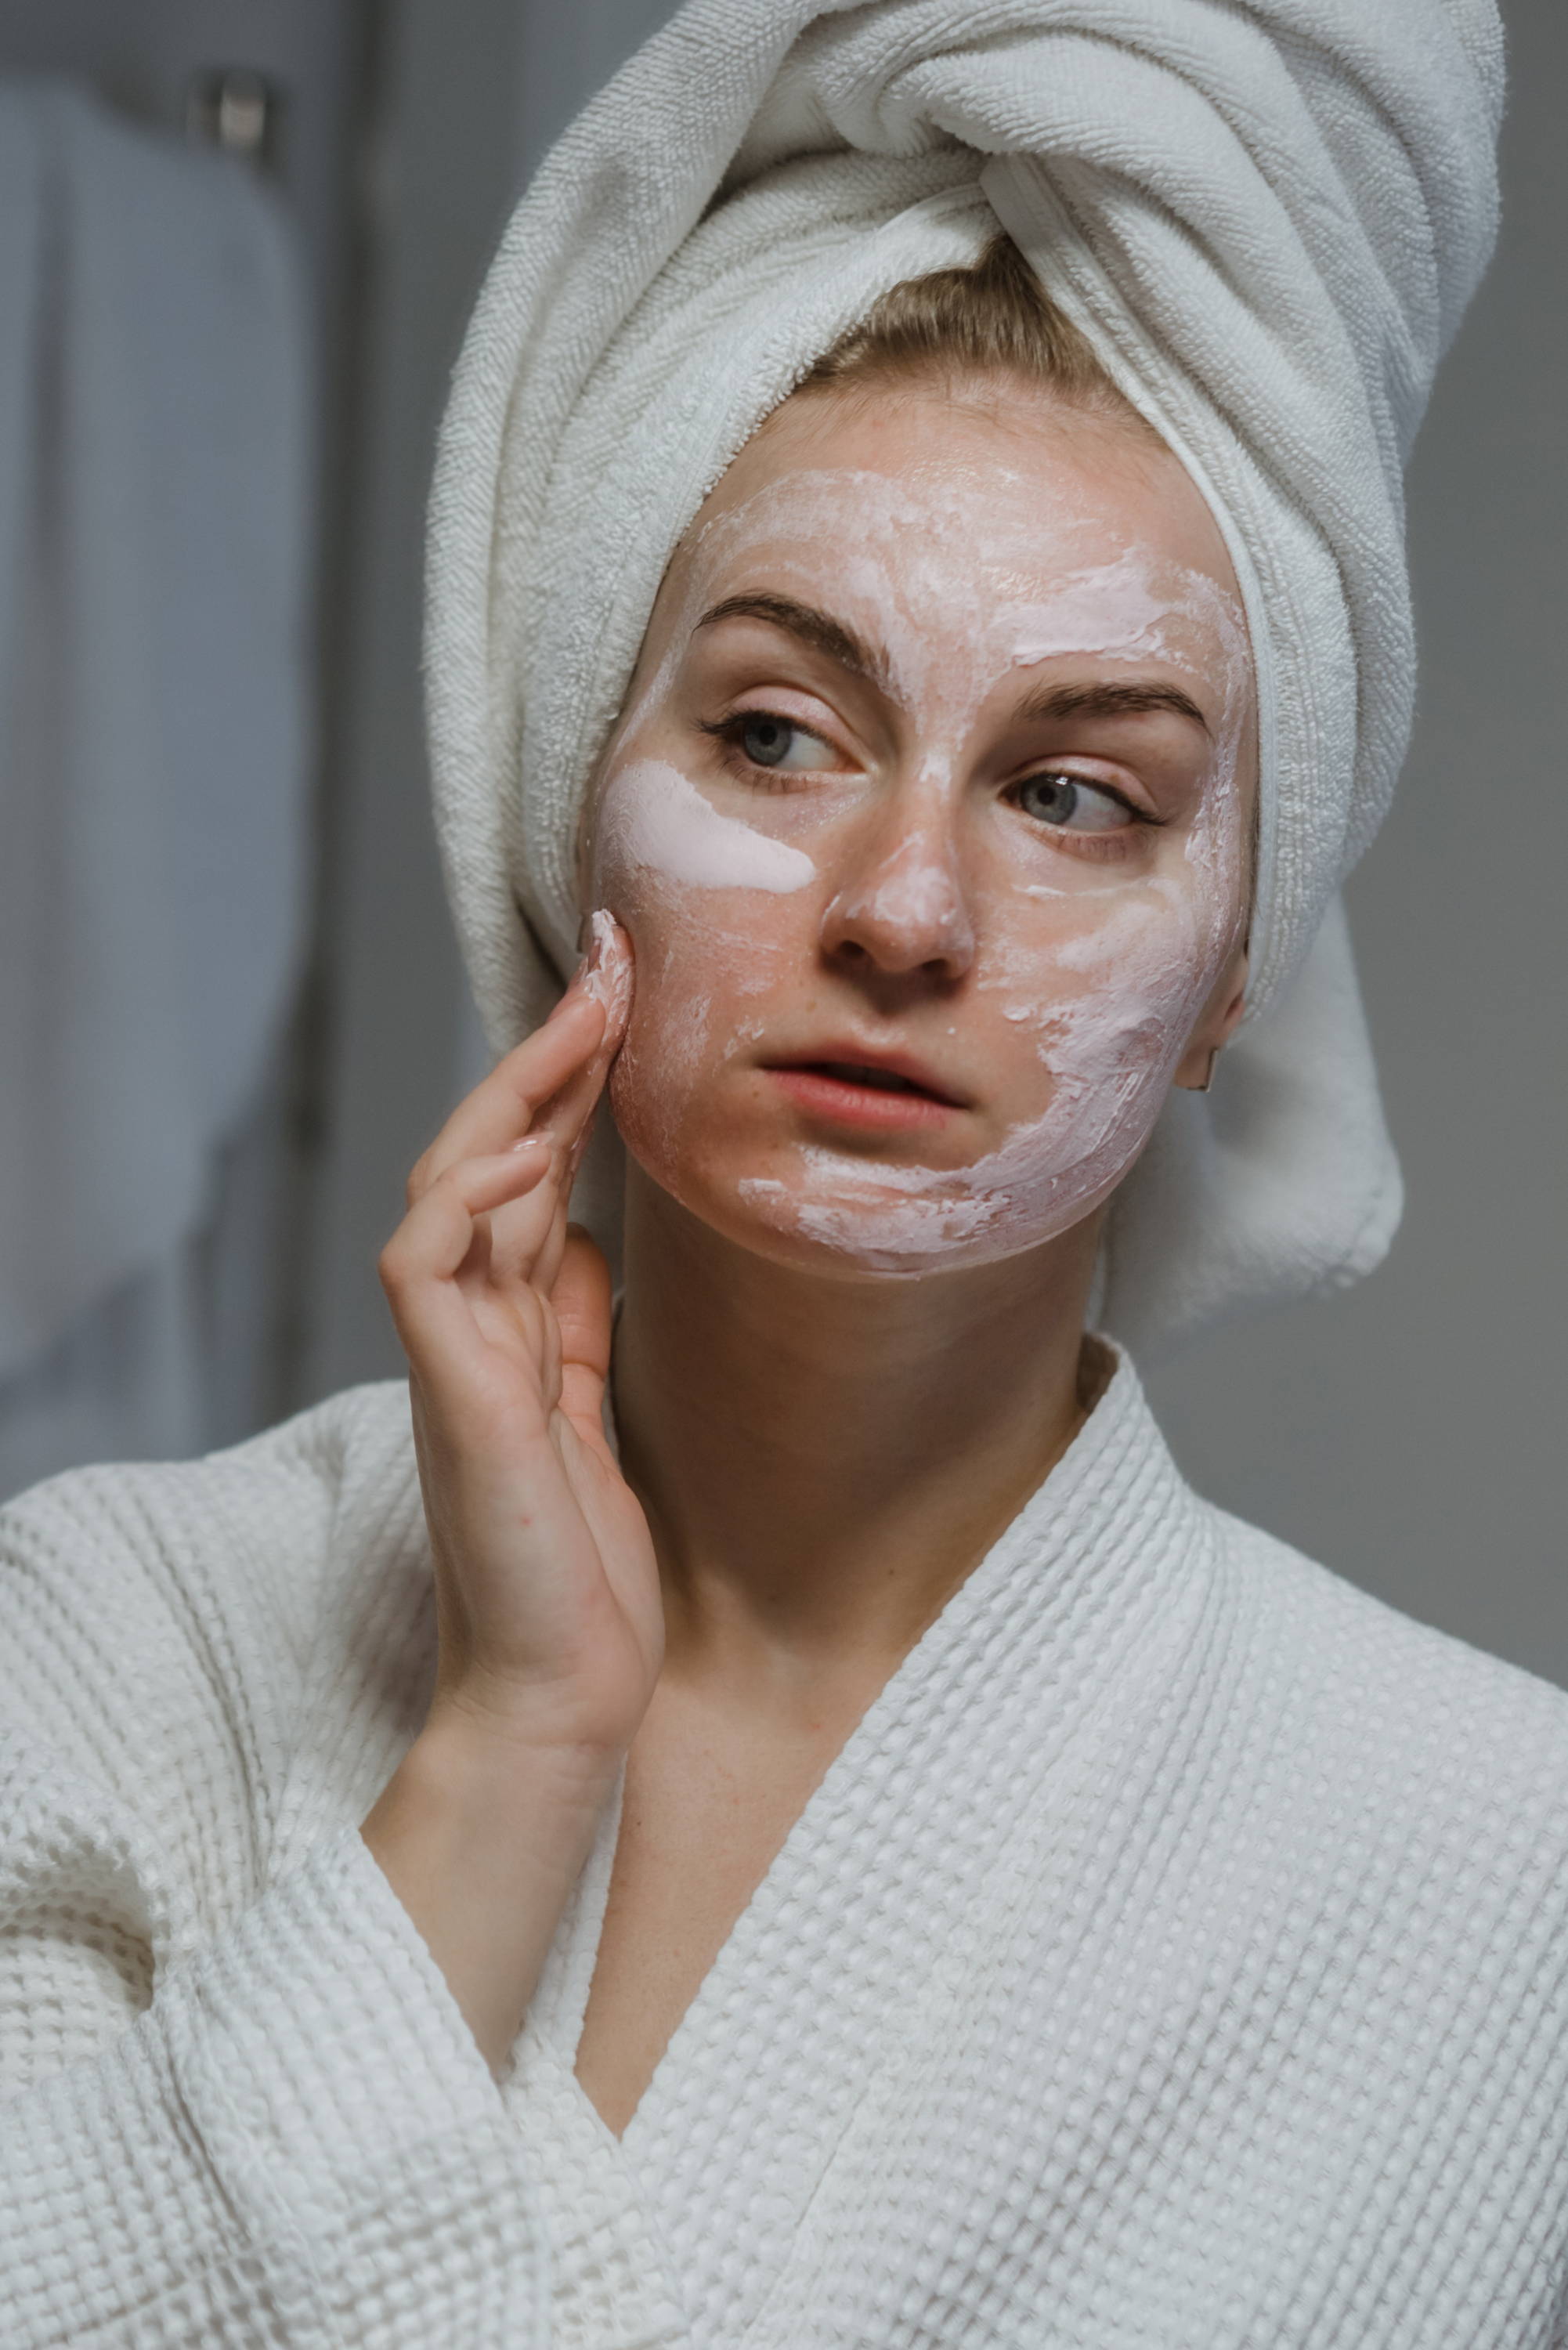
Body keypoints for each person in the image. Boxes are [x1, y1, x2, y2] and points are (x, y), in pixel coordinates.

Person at [4, 5, 1566, 2347]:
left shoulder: (1501, 1880)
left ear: (1233, 966)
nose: (903, 911)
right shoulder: (123, 1641)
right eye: (772, 729)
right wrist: (509, 1746)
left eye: (1077, 794)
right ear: (570, 803)